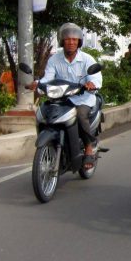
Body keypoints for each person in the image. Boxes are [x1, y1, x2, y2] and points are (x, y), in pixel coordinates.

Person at [28, 23, 102, 171]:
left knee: (81, 114)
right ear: (62, 41)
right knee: (44, 112)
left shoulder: (87, 59)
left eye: (74, 39)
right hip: (61, 100)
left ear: (79, 41)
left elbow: (96, 77)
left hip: (82, 99)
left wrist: (91, 84)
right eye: (67, 39)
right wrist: (37, 84)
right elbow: (47, 78)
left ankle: (88, 148)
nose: (71, 42)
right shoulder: (55, 59)